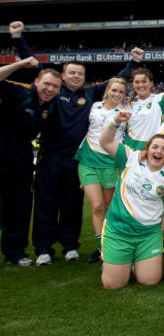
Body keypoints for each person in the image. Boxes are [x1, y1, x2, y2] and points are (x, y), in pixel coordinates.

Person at [9, 20, 144, 266]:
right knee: (45, 203)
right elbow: (34, 67)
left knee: (71, 204)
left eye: (80, 74)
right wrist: (18, 38)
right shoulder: (52, 91)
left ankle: (70, 246)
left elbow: (117, 83)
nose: (75, 76)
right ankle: (43, 249)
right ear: (63, 75)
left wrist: (133, 63)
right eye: (71, 73)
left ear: (84, 77)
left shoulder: (90, 94)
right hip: (49, 156)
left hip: (77, 159)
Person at [98, 110, 164, 289]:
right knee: (112, 285)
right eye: (155, 147)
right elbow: (105, 142)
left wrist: (163, 223)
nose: (159, 151)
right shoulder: (130, 157)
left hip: (148, 234)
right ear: (147, 149)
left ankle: (133, 262)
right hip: (119, 230)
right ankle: (117, 260)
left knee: (150, 280)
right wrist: (116, 121)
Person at [0, 58, 61, 266]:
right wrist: (18, 65)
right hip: (2, 153)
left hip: (22, 160)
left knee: (18, 208)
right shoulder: (20, 92)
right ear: (36, 82)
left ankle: (14, 253)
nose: (50, 89)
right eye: (47, 84)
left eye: (55, 86)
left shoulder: (53, 106)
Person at [74, 78, 128, 264]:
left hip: (111, 162)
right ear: (107, 90)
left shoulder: (126, 112)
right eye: (114, 90)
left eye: (121, 92)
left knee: (108, 206)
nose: (117, 94)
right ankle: (100, 247)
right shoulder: (94, 106)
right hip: (88, 159)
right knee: (96, 206)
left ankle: (111, 243)